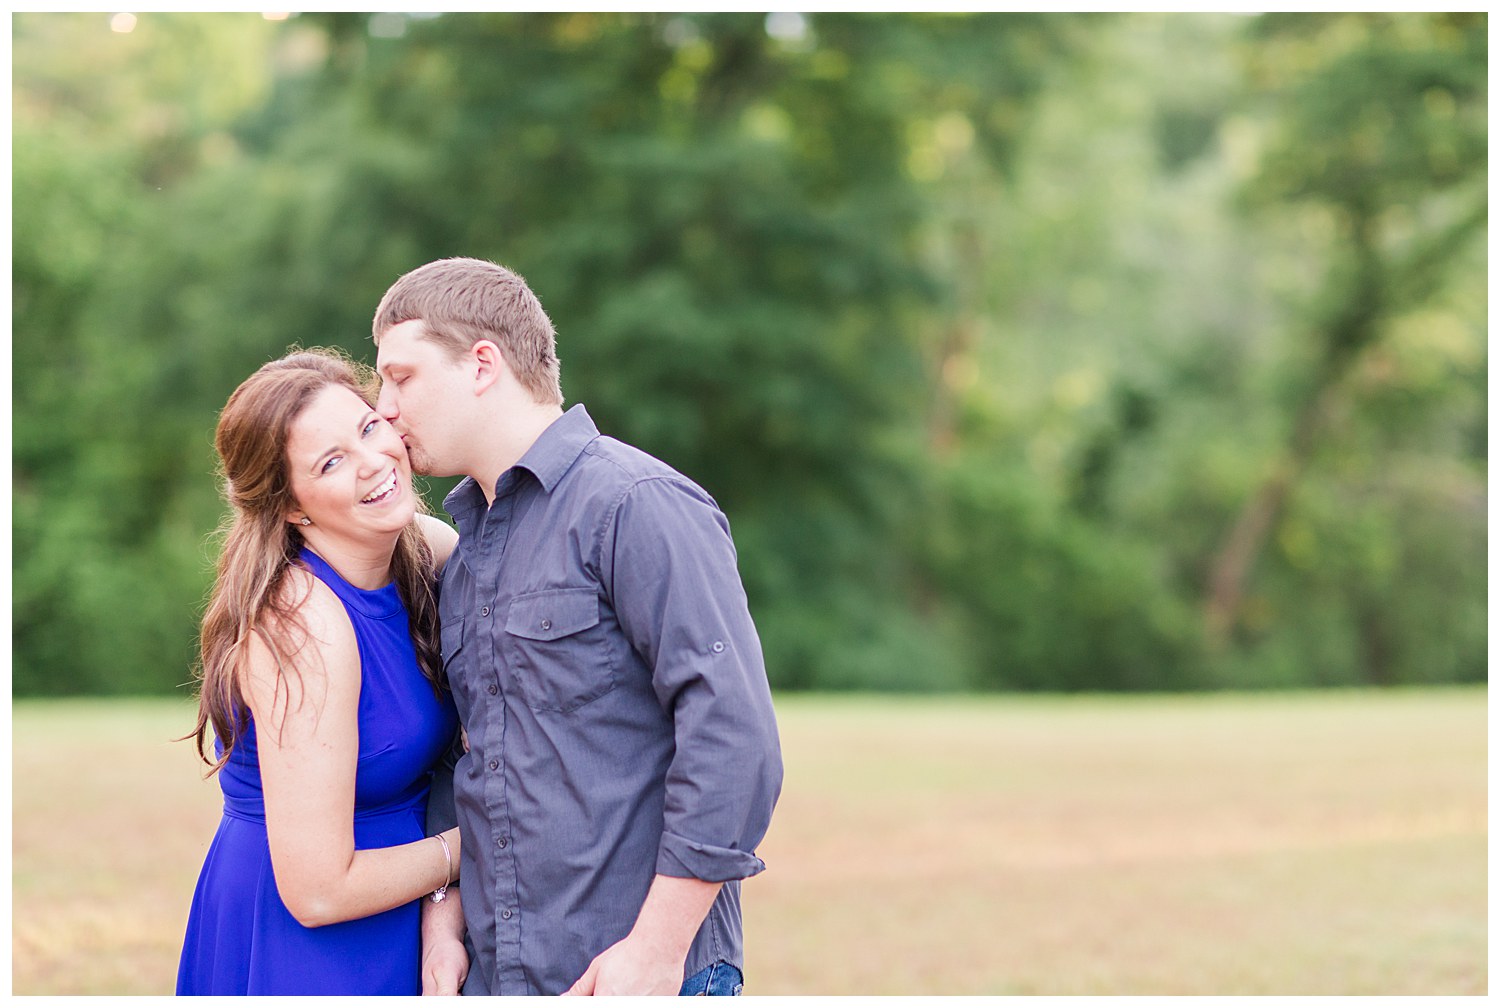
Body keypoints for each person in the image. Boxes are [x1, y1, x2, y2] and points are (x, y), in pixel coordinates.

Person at [369, 257, 784, 996]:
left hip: (638, 972)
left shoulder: (636, 504)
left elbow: (735, 739)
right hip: (503, 973)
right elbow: (461, 761)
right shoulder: (464, 556)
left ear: (482, 365)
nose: (385, 407)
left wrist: (656, 950)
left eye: (401, 377)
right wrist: (444, 923)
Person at [176, 348, 465, 995]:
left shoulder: (423, 547)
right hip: (308, 944)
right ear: (291, 508)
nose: (373, 463)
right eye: (331, 463)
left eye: (368, 428)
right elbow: (317, 891)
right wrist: (478, 844)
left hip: (404, 913)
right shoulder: (300, 625)